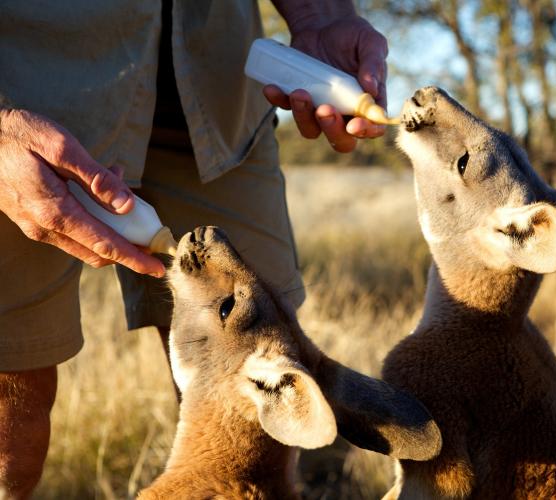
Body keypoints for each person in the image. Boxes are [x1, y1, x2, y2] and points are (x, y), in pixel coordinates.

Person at [0, 0, 388, 497]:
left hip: (216, 87)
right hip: (32, 87)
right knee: (12, 421)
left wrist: (320, 16)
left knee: (264, 377)